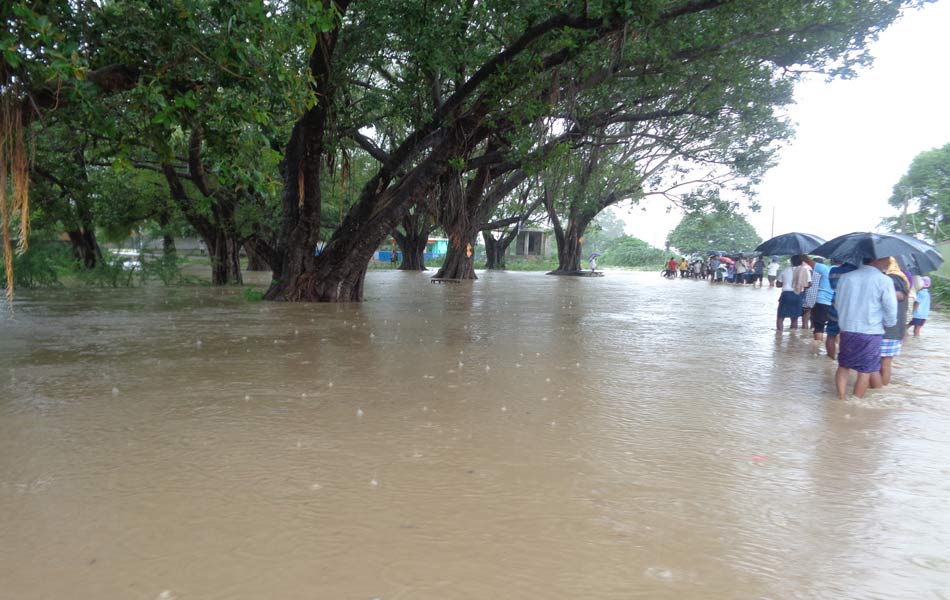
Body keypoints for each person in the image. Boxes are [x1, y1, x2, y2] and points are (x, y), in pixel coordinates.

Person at [833, 257, 898, 400]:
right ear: (876, 260)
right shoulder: (884, 280)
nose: (888, 263)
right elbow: (891, 307)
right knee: (865, 371)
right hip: (871, 332)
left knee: (843, 365)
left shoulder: (846, 278)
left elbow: (837, 303)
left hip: (847, 329)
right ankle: (855, 403)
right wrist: (888, 324)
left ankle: (840, 398)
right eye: (886, 260)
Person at [873, 258, 909, 387]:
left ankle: (878, 392)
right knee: (884, 364)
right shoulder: (901, 277)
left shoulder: (892, 278)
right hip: (894, 328)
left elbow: (899, 296)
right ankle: (881, 393)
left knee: (880, 364)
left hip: (888, 328)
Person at [775, 255, 809, 332]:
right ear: (801, 262)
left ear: (791, 262)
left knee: (780, 317)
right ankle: (792, 337)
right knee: (794, 318)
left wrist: (785, 283)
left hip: (786, 295)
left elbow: (778, 285)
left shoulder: (785, 270)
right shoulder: (805, 271)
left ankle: (779, 336)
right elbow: (808, 285)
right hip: (798, 295)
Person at [803, 256, 832, 342]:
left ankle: (816, 346)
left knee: (817, 325)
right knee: (834, 328)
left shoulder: (823, 269)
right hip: (836, 302)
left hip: (819, 299)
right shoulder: (845, 272)